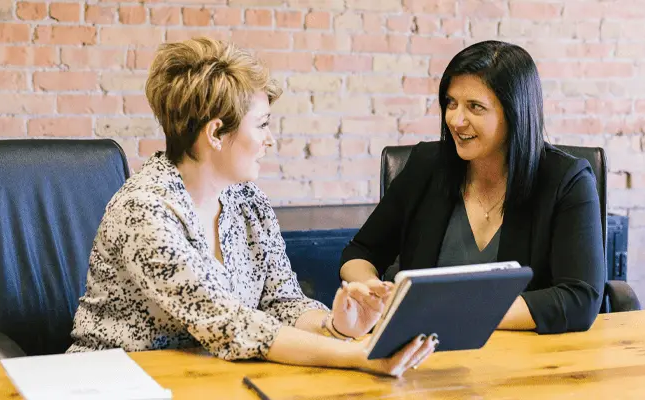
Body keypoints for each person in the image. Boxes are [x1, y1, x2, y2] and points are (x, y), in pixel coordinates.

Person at [67, 37, 435, 377]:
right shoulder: (145, 210)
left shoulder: (247, 201)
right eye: (261, 125)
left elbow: (282, 301)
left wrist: (335, 327)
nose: (270, 140)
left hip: (211, 379)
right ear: (215, 133)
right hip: (115, 381)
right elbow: (229, 323)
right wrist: (357, 355)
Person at [339, 40, 606, 334]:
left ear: (515, 113)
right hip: (424, 355)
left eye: (475, 107)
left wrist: (455, 312)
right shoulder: (426, 166)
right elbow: (360, 252)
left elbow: (579, 299)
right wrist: (370, 289)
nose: (456, 119)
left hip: (526, 359)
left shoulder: (567, 180)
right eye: (451, 103)